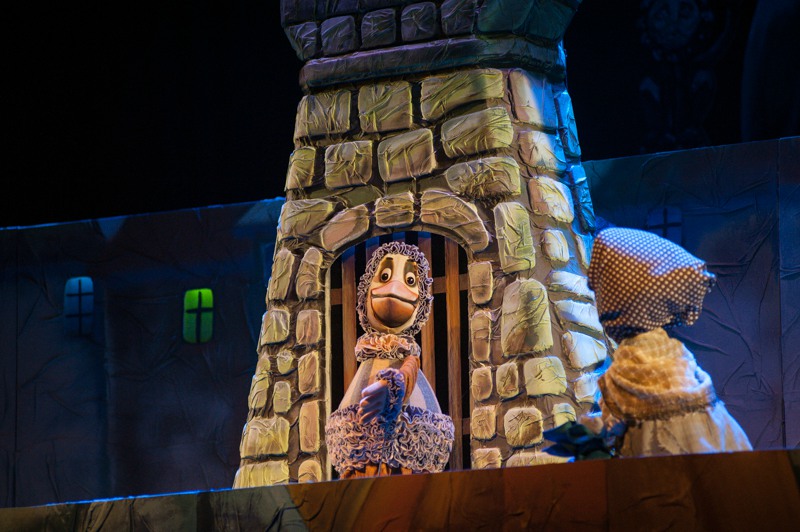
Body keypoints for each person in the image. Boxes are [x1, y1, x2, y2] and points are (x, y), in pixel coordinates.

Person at [587, 227, 752, 457]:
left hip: (667, 460)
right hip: (714, 446)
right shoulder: (671, 351)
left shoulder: (635, 358)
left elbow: (618, 419)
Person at [325, 241, 454, 478]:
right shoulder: (368, 354)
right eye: (384, 276)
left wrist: (393, 388)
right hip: (362, 466)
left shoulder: (408, 356)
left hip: (408, 464)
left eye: (410, 281)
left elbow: (407, 372)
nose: (394, 286)